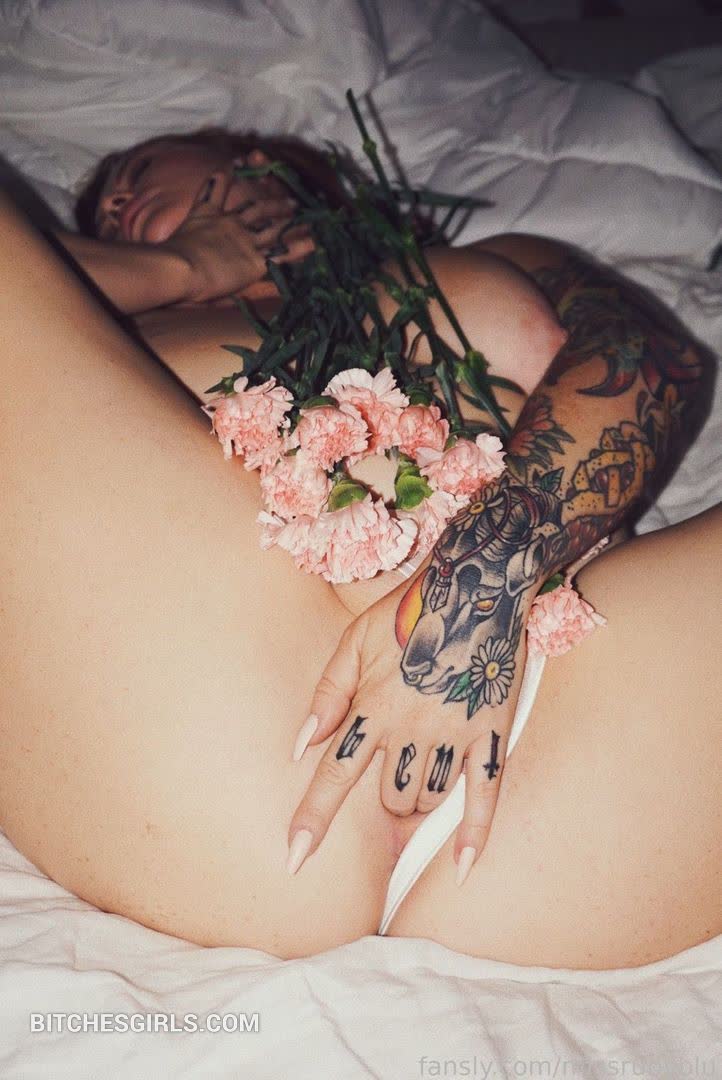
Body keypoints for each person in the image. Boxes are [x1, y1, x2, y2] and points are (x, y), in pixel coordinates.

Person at [0, 130, 718, 970]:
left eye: (135, 170)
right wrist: (183, 270)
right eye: (99, 211)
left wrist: (472, 595)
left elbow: (648, 358)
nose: (115, 202)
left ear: (254, 160)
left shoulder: (486, 260)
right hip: (233, 738)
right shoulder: (95, 337)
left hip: (584, 733)